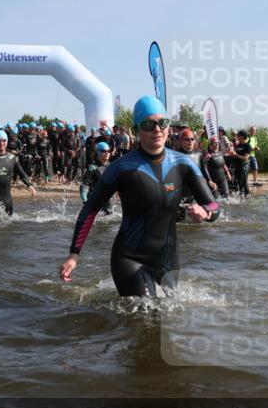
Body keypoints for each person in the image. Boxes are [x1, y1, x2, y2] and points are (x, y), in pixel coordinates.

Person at [59, 95, 221, 297]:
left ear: (169, 127)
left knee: (165, 318)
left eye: (162, 123)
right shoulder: (120, 168)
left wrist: (205, 212)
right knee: (147, 315)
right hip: (129, 258)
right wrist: (74, 255)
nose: (157, 129)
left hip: (168, 259)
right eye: (148, 124)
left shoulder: (184, 164)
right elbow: (90, 210)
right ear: (137, 129)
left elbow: (215, 207)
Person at [79, 141, 111, 213]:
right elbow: (83, 187)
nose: (107, 153)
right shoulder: (92, 168)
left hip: (106, 201)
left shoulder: (110, 166)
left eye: (108, 151)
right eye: (103, 151)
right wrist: (85, 202)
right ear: (98, 153)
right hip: (93, 202)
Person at [227, 130, 253, 198]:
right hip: (237, 166)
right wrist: (231, 154)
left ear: (242, 136)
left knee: (244, 183)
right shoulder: (238, 145)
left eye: (238, 135)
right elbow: (235, 155)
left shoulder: (247, 146)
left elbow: (245, 158)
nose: (237, 136)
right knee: (238, 183)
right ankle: (241, 198)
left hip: (243, 167)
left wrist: (236, 155)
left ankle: (247, 198)